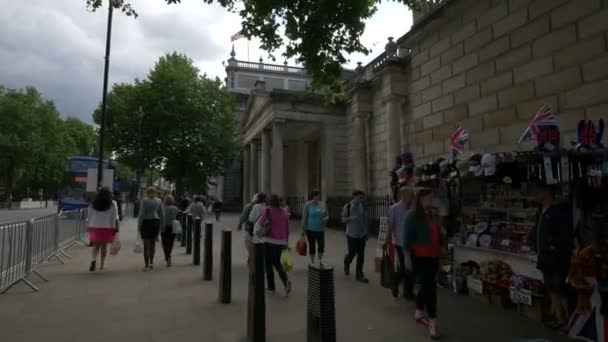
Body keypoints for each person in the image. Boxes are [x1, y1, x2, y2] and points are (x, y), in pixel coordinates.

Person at [529, 183, 573, 330]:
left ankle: (571, 321)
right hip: (544, 257)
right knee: (552, 288)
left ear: (547, 192)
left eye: (537, 191)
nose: (534, 194)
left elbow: (565, 235)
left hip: (557, 258)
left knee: (561, 288)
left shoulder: (559, 211)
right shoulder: (540, 211)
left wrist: (553, 247)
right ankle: (560, 319)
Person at [403, 187, 441, 340]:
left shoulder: (429, 214)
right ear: (421, 199)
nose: (432, 200)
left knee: (427, 286)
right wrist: (407, 258)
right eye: (430, 198)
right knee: (430, 289)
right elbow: (407, 239)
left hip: (433, 256)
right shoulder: (412, 216)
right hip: (421, 257)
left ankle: (419, 311)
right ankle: (433, 322)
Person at [255, 194, 292, 297]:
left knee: (268, 264)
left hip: (268, 241)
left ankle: (271, 287)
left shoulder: (267, 211)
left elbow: (259, 223)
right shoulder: (284, 212)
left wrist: (258, 233)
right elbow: (287, 229)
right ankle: (285, 282)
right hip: (281, 242)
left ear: (270, 202)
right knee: (277, 263)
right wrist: (286, 242)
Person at [388, 184, 415, 300]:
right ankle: (396, 283)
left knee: (411, 268)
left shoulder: (413, 208)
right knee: (405, 267)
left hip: (413, 242)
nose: (411, 196)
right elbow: (390, 225)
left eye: (412, 194)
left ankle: (407, 291)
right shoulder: (394, 208)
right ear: (402, 195)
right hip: (400, 242)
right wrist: (386, 240)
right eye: (409, 194)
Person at [86, 188, 119, 272]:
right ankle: (102, 264)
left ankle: (93, 260)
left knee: (96, 246)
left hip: (95, 226)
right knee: (104, 246)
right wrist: (114, 228)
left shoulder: (93, 203)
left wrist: (88, 225)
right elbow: (114, 217)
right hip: (107, 227)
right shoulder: (112, 204)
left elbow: (89, 215)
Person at [342, 190, 369, 283]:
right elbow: (343, 219)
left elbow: (365, 219)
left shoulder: (363, 206)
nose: (361, 199)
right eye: (359, 197)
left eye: (362, 197)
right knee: (352, 253)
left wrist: (366, 232)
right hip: (351, 234)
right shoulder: (348, 206)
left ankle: (359, 274)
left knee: (361, 255)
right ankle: (346, 262)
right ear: (354, 196)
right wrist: (350, 218)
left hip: (361, 234)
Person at [138, 186, 165, 271]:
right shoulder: (159, 201)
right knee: (153, 244)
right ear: (155, 192)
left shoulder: (144, 200)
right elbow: (162, 215)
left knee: (146, 245)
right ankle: (151, 263)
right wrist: (162, 226)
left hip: (146, 223)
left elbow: (141, 214)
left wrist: (139, 225)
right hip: (155, 223)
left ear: (147, 192)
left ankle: (146, 265)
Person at [302, 189, 328, 265]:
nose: (318, 197)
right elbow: (304, 217)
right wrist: (303, 229)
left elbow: (326, 215)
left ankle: (320, 261)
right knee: (312, 246)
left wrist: (326, 218)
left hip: (320, 229)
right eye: (316, 196)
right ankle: (313, 262)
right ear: (313, 196)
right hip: (310, 229)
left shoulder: (322, 204)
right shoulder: (308, 205)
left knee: (321, 246)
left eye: (318, 196)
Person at [161, 194, 179, 267]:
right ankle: (168, 256)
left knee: (164, 242)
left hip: (164, 226)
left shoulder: (162, 207)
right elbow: (177, 217)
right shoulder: (175, 208)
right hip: (173, 226)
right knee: (171, 242)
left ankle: (167, 256)